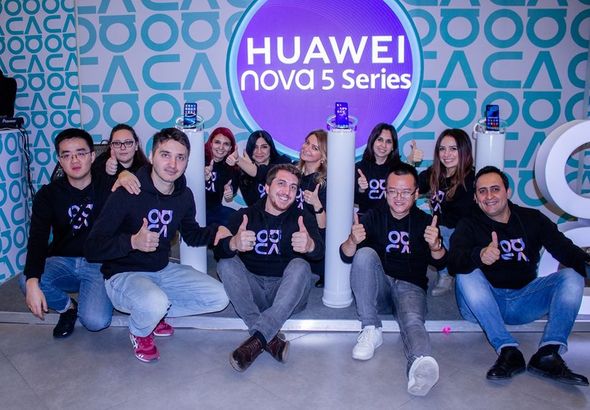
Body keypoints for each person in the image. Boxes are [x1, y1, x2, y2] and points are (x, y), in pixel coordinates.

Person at [85, 127, 229, 363]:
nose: (173, 164)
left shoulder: (184, 196)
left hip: (162, 270)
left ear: (187, 162)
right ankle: (140, 330)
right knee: (154, 302)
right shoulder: (127, 191)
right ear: (152, 156)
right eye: (165, 155)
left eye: (180, 157)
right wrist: (132, 241)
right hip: (123, 274)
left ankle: (154, 313)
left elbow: (191, 235)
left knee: (220, 297)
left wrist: (217, 233)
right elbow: (92, 248)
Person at [449, 166, 590, 386]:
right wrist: (479, 255)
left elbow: (566, 250)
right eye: (482, 191)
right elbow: (453, 262)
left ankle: (548, 353)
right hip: (483, 305)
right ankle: (507, 350)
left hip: (524, 301)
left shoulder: (532, 218)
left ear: (507, 192)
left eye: (495, 189)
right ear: (476, 198)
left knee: (573, 275)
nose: (489, 196)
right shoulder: (468, 224)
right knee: (466, 273)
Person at [340, 163, 446, 396]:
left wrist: (436, 246)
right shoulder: (373, 215)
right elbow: (345, 255)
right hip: (379, 288)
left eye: (405, 192)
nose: (398, 197)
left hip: (411, 287)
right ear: (385, 192)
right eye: (393, 191)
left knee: (413, 321)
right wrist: (352, 240)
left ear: (416, 194)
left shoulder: (425, 222)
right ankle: (371, 328)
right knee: (364, 254)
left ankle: (420, 364)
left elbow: (441, 262)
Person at [215, 163, 324, 372]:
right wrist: (233, 243)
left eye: (293, 187)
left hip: (288, 294)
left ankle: (257, 339)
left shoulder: (303, 218)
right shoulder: (245, 215)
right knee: (227, 262)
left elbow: (319, 253)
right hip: (254, 291)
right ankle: (268, 338)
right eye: (281, 184)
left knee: (301, 265)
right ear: (267, 187)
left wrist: (310, 245)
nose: (287, 191)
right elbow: (219, 250)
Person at [21, 128, 114, 338]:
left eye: (81, 153)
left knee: (96, 321)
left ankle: (91, 296)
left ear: (92, 156)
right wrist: (32, 281)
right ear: (60, 161)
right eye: (66, 155)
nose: (74, 160)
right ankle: (67, 307)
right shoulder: (48, 194)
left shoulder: (109, 187)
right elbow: (37, 239)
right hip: (62, 261)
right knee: (27, 280)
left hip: (98, 264)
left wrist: (125, 174)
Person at [416, 129, 476, 296]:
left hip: (462, 234)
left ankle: (447, 273)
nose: (446, 154)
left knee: (437, 230)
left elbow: (461, 219)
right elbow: (411, 186)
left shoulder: (471, 179)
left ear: (464, 150)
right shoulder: (435, 173)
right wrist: (410, 163)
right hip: (442, 230)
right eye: (442, 149)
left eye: (453, 149)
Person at [296, 129, 327, 287]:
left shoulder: (324, 183)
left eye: (314, 148)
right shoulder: (294, 175)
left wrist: (316, 203)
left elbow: (324, 225)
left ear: (323, 157)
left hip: (316, 238)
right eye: (307, 143)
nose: (306, 148)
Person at [231, 130, 292, 206]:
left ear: (271, 148)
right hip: (256, 212)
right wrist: (229, 191)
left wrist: (239, 160)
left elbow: (260, 172)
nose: (259, 151)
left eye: (264, 147)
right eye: (255, 147)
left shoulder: (283, 163)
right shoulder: (242, 173)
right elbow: (232, 190)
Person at [354, 123, 401, 216]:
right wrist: (361, 189)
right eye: (380, 139)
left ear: (393, 147)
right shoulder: (359, 168)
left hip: (392, 220)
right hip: (366, 220)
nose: (383, 145)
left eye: (388, 142)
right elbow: (354, 201)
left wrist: (411, 164)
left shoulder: (400, 170)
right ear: (372, 141)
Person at [204, 127, 240, 225]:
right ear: (210, 143)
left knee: (239, 220)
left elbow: (230, 194)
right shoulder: (199, 157)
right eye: (217, 142)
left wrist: (229, 192)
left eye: (226, 144)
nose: (221, 147)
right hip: (193, 208)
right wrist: (201, 176)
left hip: (214, 210)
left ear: (230, 148)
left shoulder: (232, 167)